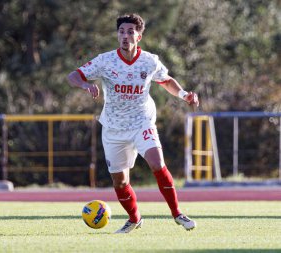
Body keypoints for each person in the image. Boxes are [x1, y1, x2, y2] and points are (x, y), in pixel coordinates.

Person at [67, 13, 199, 233]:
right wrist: (85, 86)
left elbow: (166, 80)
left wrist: (184, 95)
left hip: (142, 122)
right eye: (121, 32)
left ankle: (177, 214)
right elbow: (74, 75)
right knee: (120, 182)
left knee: (157, 163)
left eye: (130, 31)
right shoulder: (105, 60)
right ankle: (134, 218)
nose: (125, 36)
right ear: (117, 35)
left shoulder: (149, 60)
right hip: (113, 128)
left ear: (139, 35)